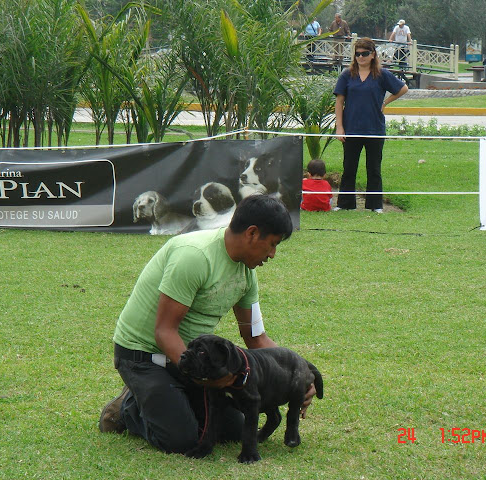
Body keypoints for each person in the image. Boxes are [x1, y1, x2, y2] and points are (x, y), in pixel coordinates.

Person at [98, 194, 317, 454]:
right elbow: (164, 332)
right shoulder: (194, 256)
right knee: (181, 440)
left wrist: (298, 374)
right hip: (144, 357)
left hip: (192, 361)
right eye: (272, 244)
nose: (272, 254)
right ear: (252, 233)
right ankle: (129, 408)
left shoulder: (247, 273)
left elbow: (256, 339)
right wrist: (203, 378)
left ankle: (170, 400)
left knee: (234, 431)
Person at [333, 37, 408, 213]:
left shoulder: (382, 75)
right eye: (357, 54)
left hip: (374, 128)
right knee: (349, 167)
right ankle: (345, 204)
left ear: (373, 54)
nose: (360, 57)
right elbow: (339, 101)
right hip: (351, 128)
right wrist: (339, 127)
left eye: (364, 53)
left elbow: (403, 89)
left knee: (374, 168)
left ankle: (375, 205)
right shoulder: (347, 75)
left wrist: (385, 102)